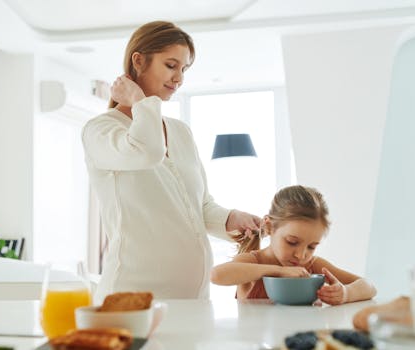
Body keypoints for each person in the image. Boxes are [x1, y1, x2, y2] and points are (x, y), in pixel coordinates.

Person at [82, 21, 260, 303]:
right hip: (132, 300)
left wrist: (230, 219)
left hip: (194, 301)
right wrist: (139, 101)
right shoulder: (101, 131)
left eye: (184, 69)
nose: (179, 78)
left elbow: (199, 206)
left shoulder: (181, 132)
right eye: (171, 65)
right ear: (138, 61)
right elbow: (147, 151)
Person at [210, 185, 376, 305]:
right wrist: (279, 271)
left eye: (312, 246)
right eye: (292, 242)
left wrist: (346, 293)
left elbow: (369, 286)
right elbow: (216, 275)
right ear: (269, 227)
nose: (301, 255)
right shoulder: (252, 261)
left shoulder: (313, 265)